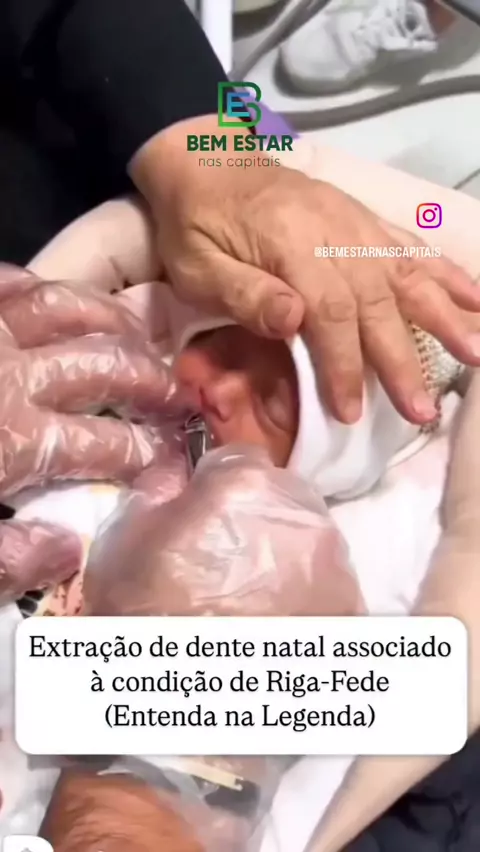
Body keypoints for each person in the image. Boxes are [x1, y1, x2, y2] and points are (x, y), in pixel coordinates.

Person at [2, 0, 480, 427]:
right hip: (164, 153)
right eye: (225, 350)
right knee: (260, 124)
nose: (220, 394)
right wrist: (227, 158)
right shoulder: (143, 313)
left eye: (272, 409)